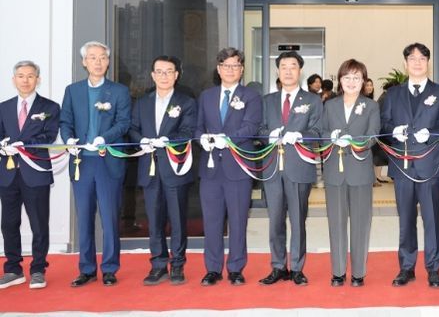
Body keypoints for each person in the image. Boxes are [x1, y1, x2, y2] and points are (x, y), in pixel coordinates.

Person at [380, 43, 439, 289]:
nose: (417, 63)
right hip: (402, 166)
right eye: (412, 59)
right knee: (406, 220)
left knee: (432, 219)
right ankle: (406, 267)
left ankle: (433, 268)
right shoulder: (393, 94)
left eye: (422, 58)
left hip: (429, 165)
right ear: (405, 63)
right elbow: (383, 125)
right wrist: (393, 131)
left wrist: (431, 134)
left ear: (428, 63)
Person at [60, 41, 132, 287]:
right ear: (84, 62)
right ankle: (87, 269)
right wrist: (68, 139)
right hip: (82, 162)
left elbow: (124, 123)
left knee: (110, 218)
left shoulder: (119, 91)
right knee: (84, 218)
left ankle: (110, 268)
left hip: (107, 162)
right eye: (92, 57)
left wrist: (105, 138)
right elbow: (65, 121)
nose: (98, 62)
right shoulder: (73, 91)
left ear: (108, 61)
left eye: (102, 57)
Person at [194, 48, 262, 286]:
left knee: (238, 220)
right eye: (226, 65)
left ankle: (235, 268)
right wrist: (201, 138)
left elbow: (251, 126)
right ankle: (212, 268)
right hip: (210, 169)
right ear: (218, 69)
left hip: (238, 167)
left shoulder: (251, 96)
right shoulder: (206, 96)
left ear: (242, 70)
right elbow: (197, 127)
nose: (230, 70)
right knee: (211, 221)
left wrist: (228, 139)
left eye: (235, 66)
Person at [128, 56, 197, 286]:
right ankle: (158, 264)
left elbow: (188, 130)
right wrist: (142, 140)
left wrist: (168, 140)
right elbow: (132, 128)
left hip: (175, 167)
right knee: (154, 220)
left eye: (169, 71)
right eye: (159, 71)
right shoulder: (142, 102)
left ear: (176, 75)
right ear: (152, 75)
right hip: (149, 168)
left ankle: (177, 264)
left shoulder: (186, 102)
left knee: (177, 219)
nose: (164, 76)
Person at [259, 51, 322, 286]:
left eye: (292, 66)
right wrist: (269, 135)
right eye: (283, 67)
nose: (288, 71)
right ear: (277, 71)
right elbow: (259, 130)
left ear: (300, 71)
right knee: (275, 220)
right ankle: (278, 266)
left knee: (298, 220)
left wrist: (301, 135)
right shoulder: (267, 100)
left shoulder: (312, 100)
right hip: (272, 168)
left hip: (299, 167)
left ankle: (296, 267)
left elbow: (318, 132)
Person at [0, 61, 60, 289]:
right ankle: (13, 269)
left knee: (39, 224)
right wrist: (3, 146)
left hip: (35, 174)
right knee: (8, 223)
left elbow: (49, 137)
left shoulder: (50, 107)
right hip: (7, 174)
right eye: (21, 76)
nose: (25, 80)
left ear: (38, 79)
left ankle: (38, 270)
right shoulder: (3, 107)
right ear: (14, 79)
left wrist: (23, 144)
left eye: (30, 76)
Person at [322, 59, 381, 287]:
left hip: (360, 169)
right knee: (335, 222)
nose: (352, 82)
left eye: (357, 78)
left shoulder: (371, 106)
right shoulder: (330, 105)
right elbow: (321, 131)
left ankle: (358, 273)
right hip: (334, 171)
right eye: (347, 77)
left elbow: (373, 135)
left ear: (364, 81)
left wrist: (355, 142)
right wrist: (331, 138)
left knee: (360, 222)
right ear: (340, 80)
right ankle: (338, 272)